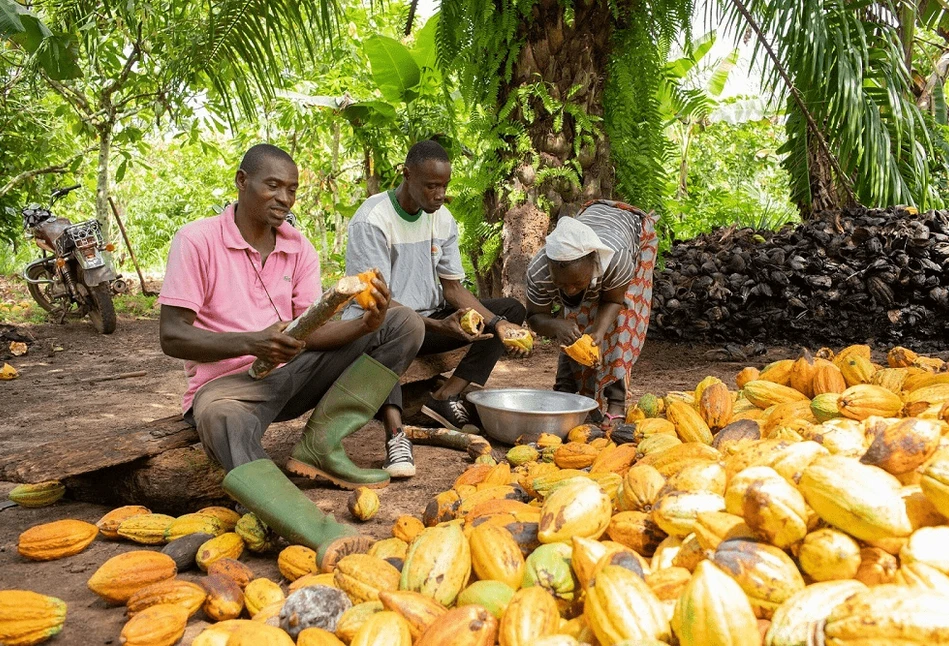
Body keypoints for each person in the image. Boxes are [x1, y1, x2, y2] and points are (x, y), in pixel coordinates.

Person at [158, 143, 425, 572]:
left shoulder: (297, 246)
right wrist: (252, 343)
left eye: (292, 189)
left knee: (404, 322)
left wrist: (366, 327)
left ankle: (320, 445)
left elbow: (311, 332)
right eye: (274, 186)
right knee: (222, 419)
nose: (284, 198)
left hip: (294, 373)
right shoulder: (197, 241)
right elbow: (172, 337)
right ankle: (317, 531)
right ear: (242, 182)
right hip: (227, 387)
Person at [344, 140, 529, 468]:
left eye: (444, 186)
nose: (440, 194)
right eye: (431, 186)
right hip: (378, 321)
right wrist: (433, 324)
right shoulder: (372, 219)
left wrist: (498, 324)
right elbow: (373, 300)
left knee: (510, 310)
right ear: (407, 174)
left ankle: (445, 397)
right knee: (392, 328)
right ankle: (396, 437)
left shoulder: (442, 219)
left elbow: (453, 288)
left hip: (431, 320)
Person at [525, 199, 658, 425]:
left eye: (577, 283)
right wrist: (557, 326)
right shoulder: (539, 272)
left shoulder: (616, 259)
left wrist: (598, 332)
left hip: (632, 233)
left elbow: (614, 301)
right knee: (571, 322)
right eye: (562, 284)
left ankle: (616, 399)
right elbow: (535, 317)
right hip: (594, 224)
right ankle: (565, 390)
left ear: (593, 261)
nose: (570, 290)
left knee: (620, 323)